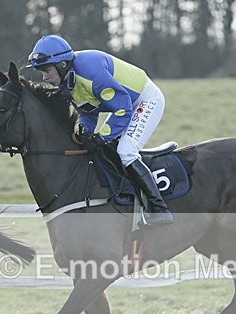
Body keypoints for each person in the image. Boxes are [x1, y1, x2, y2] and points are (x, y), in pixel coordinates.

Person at [28, 35, 173, 225]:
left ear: (62, 64)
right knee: (104, 149)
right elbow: (88, 112)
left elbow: (123, 110)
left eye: (47, 71)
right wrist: (84, 131)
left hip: (144, 100)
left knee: (126, 152)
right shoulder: (66, 83)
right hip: (125, 104)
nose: (44, 78)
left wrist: (101, 137)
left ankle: (160, 209)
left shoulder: (90, 72)